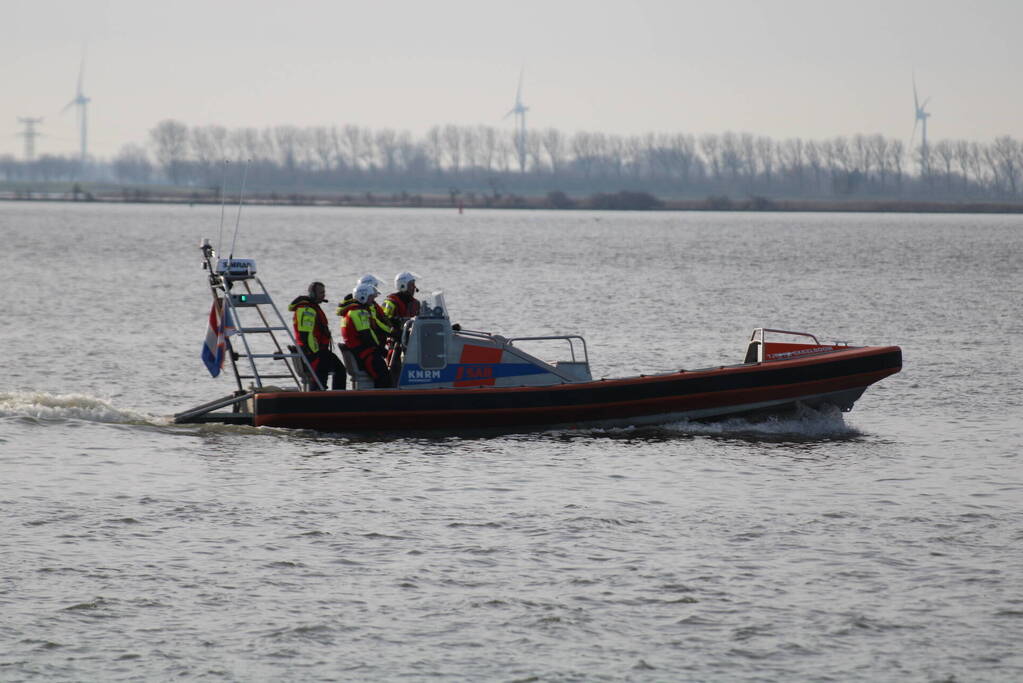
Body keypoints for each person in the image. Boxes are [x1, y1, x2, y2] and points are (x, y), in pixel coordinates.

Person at [288, 281, 345, 390]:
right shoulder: (307, 310)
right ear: (312, 294)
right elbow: (305, 333)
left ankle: (335, 396)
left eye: (324, 292)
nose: (323, 295)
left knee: (339, 369)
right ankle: (322, 396)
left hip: (319, 351)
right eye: (321, 293)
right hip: (313, 353)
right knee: (324, 376)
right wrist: (313, 352)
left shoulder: (311, 307)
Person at [340, 282, 392, 388]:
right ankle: (383, 400)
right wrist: (382, 351)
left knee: (383, 371)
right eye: (371, 297)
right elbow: (366, 336)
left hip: (360, 352)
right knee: (384, 377)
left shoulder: (352, 312)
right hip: (364, 354)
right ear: (363, 297)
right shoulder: (358, 313)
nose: (373, 301)